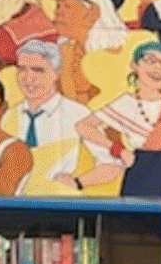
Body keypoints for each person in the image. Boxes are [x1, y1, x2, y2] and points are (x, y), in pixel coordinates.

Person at [69, 40, 161, 196]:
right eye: (150, 61)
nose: (157, 67)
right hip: (142, 168)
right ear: (135, 66)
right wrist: (118, 150)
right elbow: (83, 126)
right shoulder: (125, 103)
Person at [7, 39, 114, 191]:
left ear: (56, 74)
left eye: (38, 70)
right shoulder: (7, 116)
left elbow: (111, 163)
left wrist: (78, 183)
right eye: (22, 69)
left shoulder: (78, 114)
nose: (28, 78)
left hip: (56, 200)